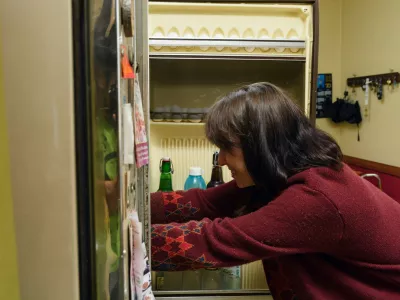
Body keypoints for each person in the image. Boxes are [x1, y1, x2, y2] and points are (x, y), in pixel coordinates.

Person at [150, 82, 400, 299]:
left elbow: (217, 241)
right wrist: (127, 202)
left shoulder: (316, 196)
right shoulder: (280, 175)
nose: (222, 160)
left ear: (261, 148)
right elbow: (206, 202)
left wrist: (130, 242)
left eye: (228, 149)